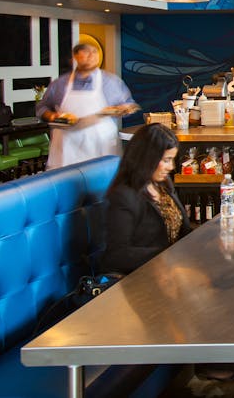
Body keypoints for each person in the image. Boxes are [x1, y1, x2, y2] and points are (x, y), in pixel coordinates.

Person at [101, 123, 190, 274]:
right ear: (148, 158)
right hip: (142, 276)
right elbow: (116, 255)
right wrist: (167, 254)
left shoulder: (163, 185)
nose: (171, 167)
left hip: (170, 272)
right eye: (167, 160)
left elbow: (183, 231)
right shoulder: (123, 196)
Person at [37, 42, 138, 170]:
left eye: (94, 52)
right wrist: (52, 116)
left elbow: (129, 103)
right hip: (67, 150)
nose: (91, 56)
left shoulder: (112, 82)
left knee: (102, 185)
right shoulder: (60, 84)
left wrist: (125, 108)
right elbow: (42, 107)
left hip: (101, 148)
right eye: (86, 52)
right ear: (75, 56)